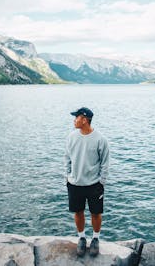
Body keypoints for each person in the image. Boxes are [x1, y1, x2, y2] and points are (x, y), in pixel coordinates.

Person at [65, 107, 110, 257]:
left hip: (94, 185)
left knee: (96, 213)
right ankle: (82, 238)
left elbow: (105, 162)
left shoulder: (100, 139)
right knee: (78, 212)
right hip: (75, 184)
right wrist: (68, 176)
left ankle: (95, 239)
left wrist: (101, 182)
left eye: (76, 117)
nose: (74, 120)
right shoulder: (71, 137)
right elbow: (67, 158)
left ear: (84, 120)